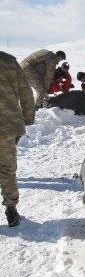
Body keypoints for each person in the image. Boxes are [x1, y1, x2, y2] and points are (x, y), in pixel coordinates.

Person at [0, 52, 35, 227]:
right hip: (8, 124)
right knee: (7, 169)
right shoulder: (9, 62)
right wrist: (28, 117)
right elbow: (25, 91)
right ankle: (11, 211)